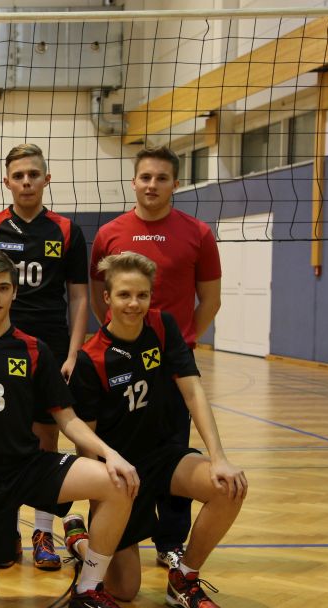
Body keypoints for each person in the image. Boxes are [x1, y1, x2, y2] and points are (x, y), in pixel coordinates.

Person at [0, 251, 141, 608]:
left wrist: (109, 454)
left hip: (28, 467)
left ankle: (88, 590)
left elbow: (67, 418)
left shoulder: (34, 349)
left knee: (116, 483)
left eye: (3, 288)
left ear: (15, 292)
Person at [71, 252, 246, 608]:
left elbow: (193, 391)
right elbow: (85, 440)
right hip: (121, 475)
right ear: (107, 297)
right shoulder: (91, 359)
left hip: (164, 457)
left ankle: (184, 579)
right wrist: (99, 495)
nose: (134, 304)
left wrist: (219, 458)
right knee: (124, 589)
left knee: (228, 487)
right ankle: (80, 540)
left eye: (142, 295)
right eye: (124, 295)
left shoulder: (163, 327)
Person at [90, 146, 223, 568]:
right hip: (121, 364)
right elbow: (98, 295)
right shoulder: (109, 233)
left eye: (161, 178)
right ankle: (109, 531)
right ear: (133, 182)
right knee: (114, 449)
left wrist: (178, 342)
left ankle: (171, 541)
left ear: (175, 184)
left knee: (173, 449)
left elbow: (211, 300)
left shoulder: (198, 233)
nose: (152, 185)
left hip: (170, 366)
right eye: (145, 177)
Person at [0, 143, 89, 571]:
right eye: (18, 176)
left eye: (33, 175)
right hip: (1, 344)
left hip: (49, 346)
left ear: (46, 179)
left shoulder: (67, 230)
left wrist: (73, 353)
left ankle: (42, 531)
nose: (26, 182)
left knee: (46, 437)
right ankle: (5, 529)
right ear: (7, 182)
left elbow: (79, 295)